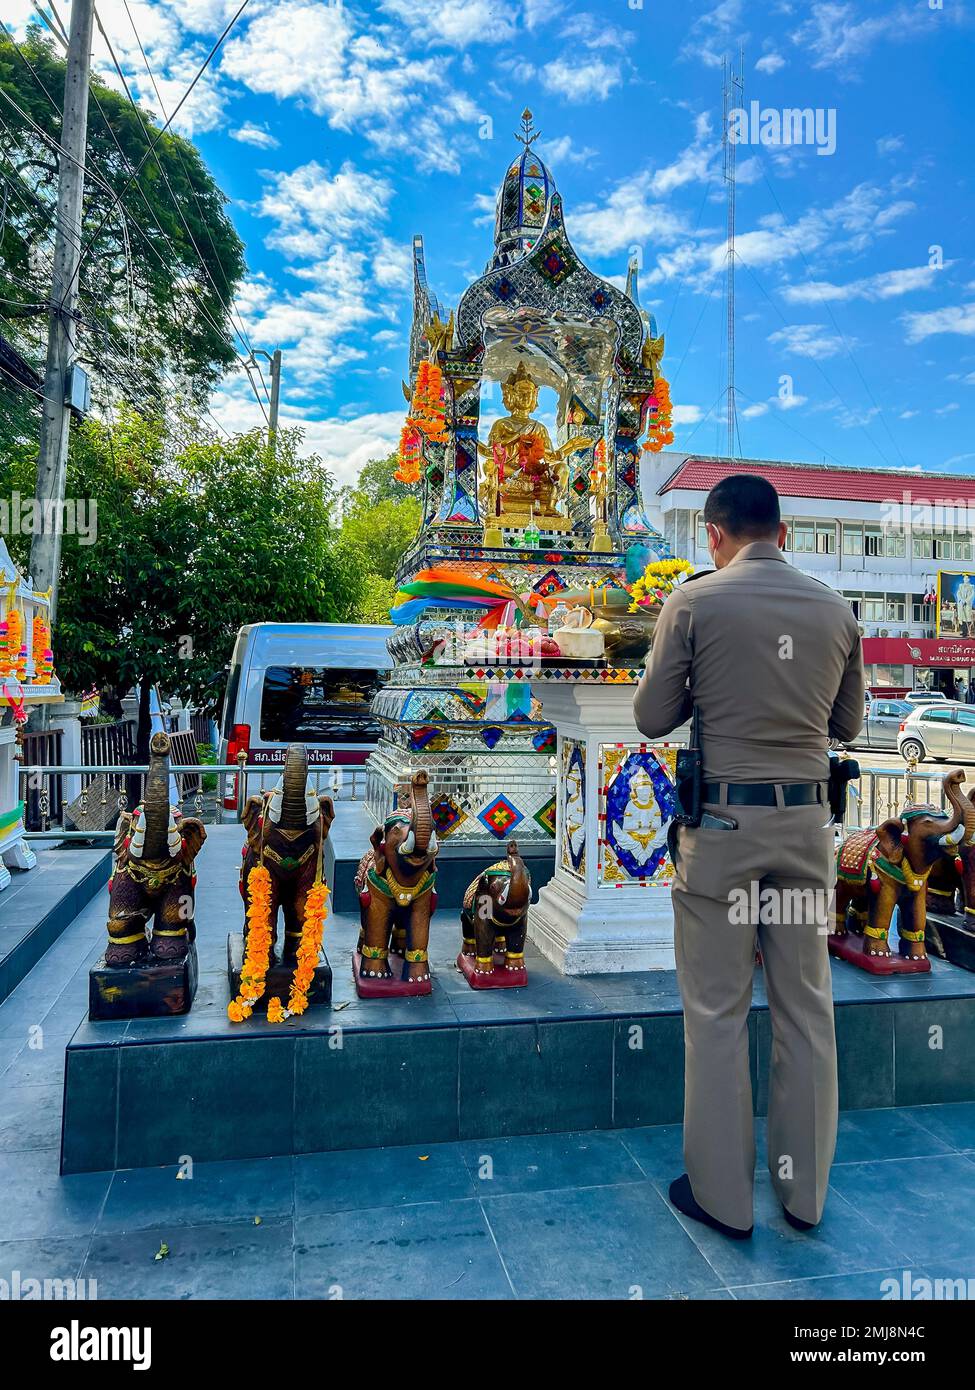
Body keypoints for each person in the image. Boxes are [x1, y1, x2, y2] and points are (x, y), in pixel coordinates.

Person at [633, 474, 864, 1239]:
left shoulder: (693, 602)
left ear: (713, 534)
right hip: (802, 835)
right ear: (785, 533)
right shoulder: (835, 609)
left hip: (723, 839)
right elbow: (848, 724)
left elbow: (650, 716)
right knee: (805, 1013)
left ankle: (724, 1200)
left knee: (717, 1014)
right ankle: (804, 1197)